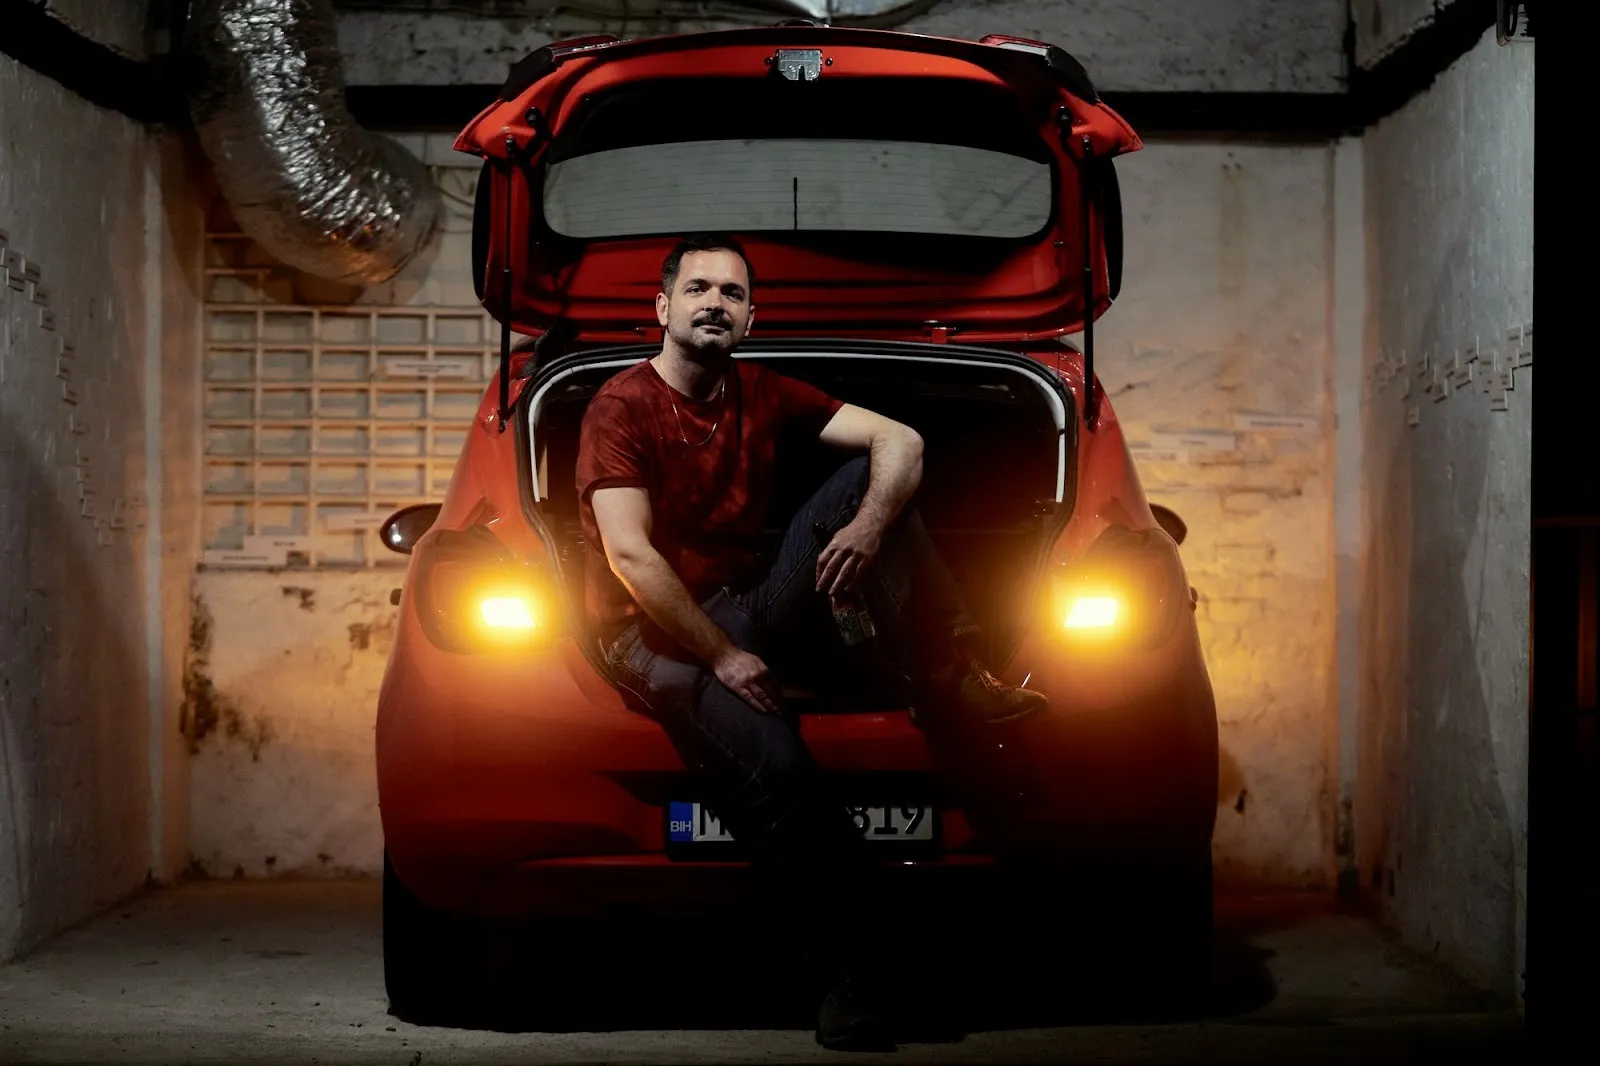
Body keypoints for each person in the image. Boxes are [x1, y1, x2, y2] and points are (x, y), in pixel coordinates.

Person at [577, 233, 1046, 1049]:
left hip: (745, 603)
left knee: (878, 485)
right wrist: (724, 658)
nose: (714, 302)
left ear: (751, 317)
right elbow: (629, 557)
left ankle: (949, 671)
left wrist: (865, 530)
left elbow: (903, 441)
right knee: (783, 766)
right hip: (651, 633)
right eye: (697, 290)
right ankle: (845, 977)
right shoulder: (620, 405)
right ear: (661, 309)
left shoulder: (761, 390)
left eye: (731, 293)